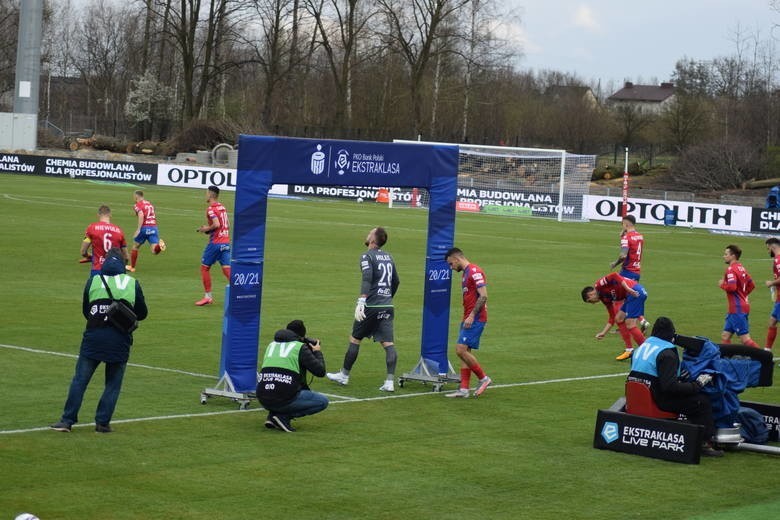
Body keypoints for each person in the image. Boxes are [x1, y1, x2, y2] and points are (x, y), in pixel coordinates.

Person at [51, 248, 148, 433]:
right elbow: (142, 313)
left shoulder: (93, 281)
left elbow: (86, 310)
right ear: (122, 264)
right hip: (119, 339)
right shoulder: (131, 283)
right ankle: (102, 423)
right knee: (113, 383)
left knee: (80, 380)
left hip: (94, 337)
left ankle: (67, 420)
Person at [627, 317, 723, 457]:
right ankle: (704, 443)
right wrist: (697, 385)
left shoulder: (641, 347)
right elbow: (669, 387)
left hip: (638, 397)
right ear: (671, 335)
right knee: (701, 402)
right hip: (658, 399)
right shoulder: (667, 353)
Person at [326, 227, 400, 392]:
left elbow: (367, 278)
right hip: (387, 306)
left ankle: (344, 376)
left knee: (355, 339)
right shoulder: (389, 257)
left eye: (370, 233)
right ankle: (389, 382)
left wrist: (362, 300)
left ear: (373, 240)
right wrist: (387, 297)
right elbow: (396, 281)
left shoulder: (367, 256)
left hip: (371, 306)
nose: (367, 234)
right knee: (388, 343)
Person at [256, 320, 329, 433]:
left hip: (262, 397)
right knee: (322, 401)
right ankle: (283, 417)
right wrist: (317, 352)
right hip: (283, 398)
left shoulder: (271, 345)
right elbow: (320, 371)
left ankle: (272, 416)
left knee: (279, 386)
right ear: (301, 336)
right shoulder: (299, 347)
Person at [443, 247, 492, 398]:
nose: (451, 268)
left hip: (475, 318)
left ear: (456, 259)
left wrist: (471, 316)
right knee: (465, 353)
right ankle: (464, 389)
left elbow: (483, 295)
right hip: (468, 317)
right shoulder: (466, 273)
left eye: (451, 264)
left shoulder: (474, 271)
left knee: (460, 350)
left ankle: (484, 379)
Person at [582, 272, 647, 360]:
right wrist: (603, 333)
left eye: (590, 301)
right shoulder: (604, 299)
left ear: (590, 294)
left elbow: (614, 275)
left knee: (630, 324)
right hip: (631, 295)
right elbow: (612, 318)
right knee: (619, 318)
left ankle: (646, 350)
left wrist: (627, 289)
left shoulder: (598, 285)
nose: (592, 303)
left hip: (635, 292)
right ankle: (629, 350)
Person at [195, 185, 231, 306]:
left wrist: (206, 228)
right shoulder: (222, 207)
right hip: (225, 241)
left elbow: (216, 224)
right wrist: (208, 230)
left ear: (210, 194)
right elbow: (227, 225)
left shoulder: (211, 209)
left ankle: (208, 297)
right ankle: (240, 292)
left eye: (206, 193)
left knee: (204, 268)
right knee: (227, 269)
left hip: (216, 243)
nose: (205, 195)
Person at [719, 244, 759, 348]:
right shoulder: (741, 268)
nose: (724, 256)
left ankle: (765, 359)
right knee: (725, 336)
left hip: (737, 309)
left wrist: (722, 285)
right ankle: (726, 360)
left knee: (745, 339)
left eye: (726, 254)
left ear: (733, 256)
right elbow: (752, 285)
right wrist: (743, 296)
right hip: (740, 306)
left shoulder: (731, 269)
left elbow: (732, 287)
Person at [81, 205, 129, 276]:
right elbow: (126, 257)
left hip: (98, 269)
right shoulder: (119, 231)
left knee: (95, 287)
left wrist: (90, 256)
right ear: (110, 215)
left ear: (98, 215)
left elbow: (83, 251)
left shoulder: (92, 228)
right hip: (115, 270)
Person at [127, 190, 166, 272]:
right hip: (153, 227)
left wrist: (138, 229)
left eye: (134, 196)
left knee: (135, 246)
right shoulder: (149, 203)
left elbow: (141, 214)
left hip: (144, 228)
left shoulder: (137, 205)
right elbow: (152, 211)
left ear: (136, 196)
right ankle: (160, 246)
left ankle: (132, 267)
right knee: (154, 251)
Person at [610, 215, 644, 281]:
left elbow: (623, 256)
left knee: (611, 288)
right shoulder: (640, 236)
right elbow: (633, 247)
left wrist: (615, 263)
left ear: (626, 224)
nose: (622, 226)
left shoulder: (626, 238)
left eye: (622, 224)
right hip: (637, 272)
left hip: (627, 272)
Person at [764, 237, 780, 351]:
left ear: (772, 246)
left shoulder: (778, 259)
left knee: (773, 321)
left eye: (767, 248)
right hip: (779, 298)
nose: (768, 251)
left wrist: (771, 283)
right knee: (772, 321)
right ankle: (767, 351)